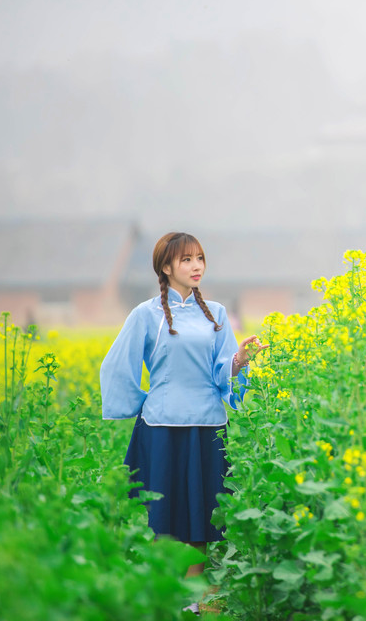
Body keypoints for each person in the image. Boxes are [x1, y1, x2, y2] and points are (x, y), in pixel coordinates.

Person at [100, 232, 262, 614]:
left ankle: (199, 599)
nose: (196, 266)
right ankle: (168, 597)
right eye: (187, 260)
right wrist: (144, 404)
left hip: (207, 426)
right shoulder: (146, 314)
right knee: (164, 517)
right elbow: (116, 366)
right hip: (161, 429)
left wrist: (239, 361)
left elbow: (222, 369)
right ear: (166, 267)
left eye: (200, 258)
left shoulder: (217, 313)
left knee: (202, 515)